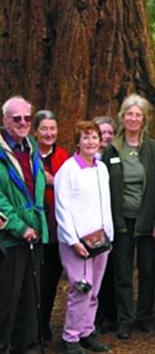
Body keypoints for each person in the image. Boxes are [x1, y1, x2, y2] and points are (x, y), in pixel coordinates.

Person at [101, 94, 155, 339]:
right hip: (121, 222)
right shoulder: (112, 150)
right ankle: (125, 319)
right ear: (122, 117)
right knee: (122, 272)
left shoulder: (153, 149)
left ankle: (145, 316)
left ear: (144, 119)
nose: (133, 118)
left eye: (137, 114)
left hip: (148, 222)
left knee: (148, 271)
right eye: (129, 114)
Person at [55, 121, 114, 354]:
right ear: (77, 142)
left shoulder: (101, 168)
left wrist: (108, 235)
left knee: (94, 289)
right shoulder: (68, 171)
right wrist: (73, 240)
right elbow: (62, 208)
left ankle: (86, 332)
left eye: (94, 137)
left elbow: (104, 203)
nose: (91, 142)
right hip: (77, 242)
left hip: (100, 241)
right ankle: (70, 337)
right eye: (86, 137)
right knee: (81, 288)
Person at [0, 96, 47, 354]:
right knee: (8, 298)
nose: (22, 123)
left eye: (27, 118)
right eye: (16, 118)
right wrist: (19, 227)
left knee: (30, 297)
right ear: (4, 120)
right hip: (10, 237)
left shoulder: (31, 146)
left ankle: (26, 346)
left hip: (34, 233)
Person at [33, 110, 70, 342]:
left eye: (52, 129)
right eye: (44, 129)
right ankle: (28, 325)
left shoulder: (63, 156)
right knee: (32, 279)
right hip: (34, 226)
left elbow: (68, 186)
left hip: (57, 228)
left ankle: (44, 324)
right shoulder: (28, 154)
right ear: (35, 131)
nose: (49, 133)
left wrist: (53, 181)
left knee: (50, 279)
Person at [92, 115, 117, 333]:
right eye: (102, 132)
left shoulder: (114, 156)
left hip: (112, 222)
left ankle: (111, 315)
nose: (106, 136)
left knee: (111, 271)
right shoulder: (88, 160)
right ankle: (95, 318)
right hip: (91, 225)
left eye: (110, 132)